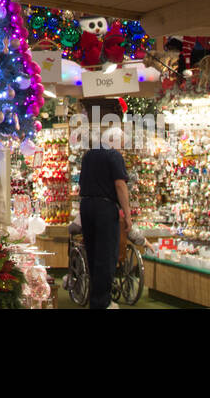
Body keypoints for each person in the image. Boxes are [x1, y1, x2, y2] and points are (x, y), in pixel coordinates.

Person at [78, 132, 131, 310]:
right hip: (105, 208)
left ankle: (96, 299)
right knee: (106, 255)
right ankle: (102, 302)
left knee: (92, 253)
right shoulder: (113, 155)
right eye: (121, 144)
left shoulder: (88, 155)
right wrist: (127, 214)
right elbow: (120, 185)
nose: (121, 148)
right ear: (114, 141)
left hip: (86, 206)